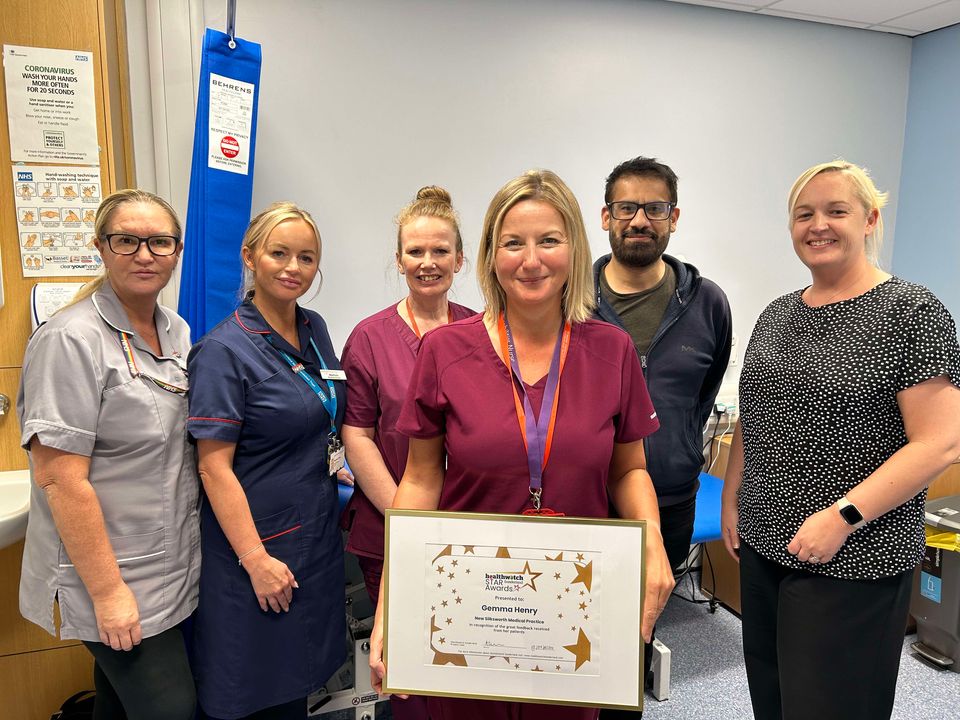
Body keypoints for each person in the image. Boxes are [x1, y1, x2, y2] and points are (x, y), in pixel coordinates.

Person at [369, 169, 675, 720]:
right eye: (513, 243)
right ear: (489, 255)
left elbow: (629, 471)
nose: (531, 260)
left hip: (570, 609)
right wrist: (392, 601)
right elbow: (419, 479)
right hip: (466, 605)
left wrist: (651, 539)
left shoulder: (613, 350)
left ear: (574, 251)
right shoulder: (444, 351)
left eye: (548, 241)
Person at [721, 160, 960, 720]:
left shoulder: (913, 312)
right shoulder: (778, 313)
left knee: (829, 705)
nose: (817, 225)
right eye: (804, 214)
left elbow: (940, 443)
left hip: (856, 557)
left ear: (870, 219)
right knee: (774, 696)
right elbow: (751, 419)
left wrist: (842, 517)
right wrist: (733, 496)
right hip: (764, 543)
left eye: (836, 211)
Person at [17, 189, 199, 720]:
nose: (145, 254)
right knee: (171, 711)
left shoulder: (177, 331)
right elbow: (59, 479)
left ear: (176, 251)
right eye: (127, 240)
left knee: (119, 707)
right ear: (101, 247)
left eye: (159, 242)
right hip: (107, 574)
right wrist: (110, 593)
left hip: (165, 563)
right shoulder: (70, 338)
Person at [186, 202, 347, 719]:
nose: (292, 267)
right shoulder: (223, 351)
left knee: (298, 690)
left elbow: (319, 413)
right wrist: (255, 560)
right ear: (250, 256)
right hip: (254, 552)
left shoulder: (314, 327)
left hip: (313, 537)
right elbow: (213, 467)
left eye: (306, 257)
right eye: (279, 253)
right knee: (254, 695)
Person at [593, 156, 731, 710]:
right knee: (571, 630)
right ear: (606, 216)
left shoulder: (707, 302)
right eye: (627, 207)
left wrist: (674, 449)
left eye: (655, 208)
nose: (640, 220)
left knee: (637, 632)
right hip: (586, 497)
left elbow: (703, 393)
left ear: (674, 217)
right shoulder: (573, 300)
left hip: (671, 498)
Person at [340, 185, 475, 719]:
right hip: (392, 525)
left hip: (469, 524)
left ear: (460, 259)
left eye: (440, 251)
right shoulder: (369, 338)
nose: (427, 262)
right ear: (399, 260)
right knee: (408, 667)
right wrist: (407, 516)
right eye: (415, 252)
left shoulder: (481, 331)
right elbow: (358, 434)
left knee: (468, 657)